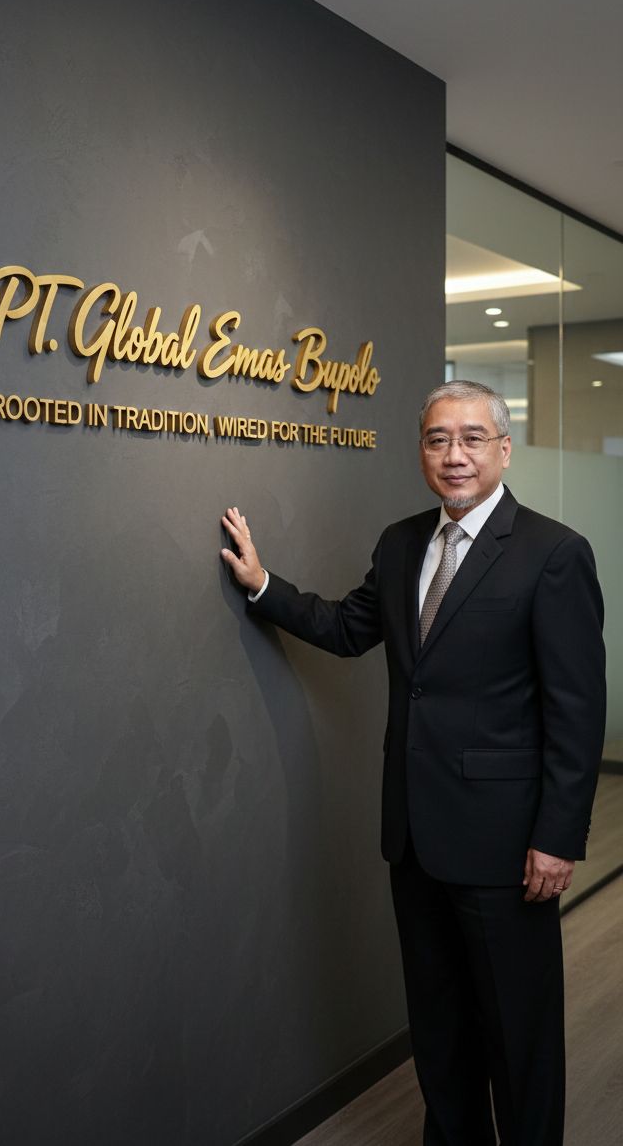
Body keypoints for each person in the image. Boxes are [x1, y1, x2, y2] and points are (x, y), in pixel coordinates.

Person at [220, 380, 606, 1146]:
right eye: (437, 439)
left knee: (519, 1038)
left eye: (471, 438)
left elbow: (576, 710)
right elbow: (345, 628)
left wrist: (558, 837)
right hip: (414, 839)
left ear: (504, 449)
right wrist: (262, 586)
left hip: (507, 848)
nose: (454, 455)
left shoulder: (553, 553)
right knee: (440, 1031)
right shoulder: (401, 543)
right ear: (422, 453)